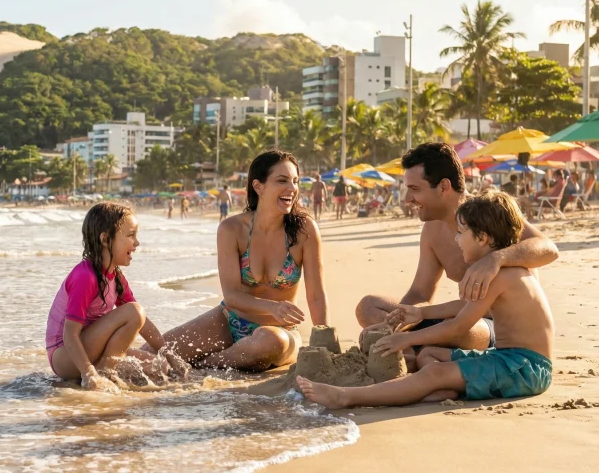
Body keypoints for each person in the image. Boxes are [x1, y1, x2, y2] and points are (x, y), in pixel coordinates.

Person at [299, 190, 554, 407]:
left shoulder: (499, 275)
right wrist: (421, 313)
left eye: (461, 233)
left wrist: (406, 338)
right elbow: (466, 305)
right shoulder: (502, 273)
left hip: (524, 369)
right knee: (428, 354)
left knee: (433, 371)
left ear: (483, 238)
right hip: (514, 361)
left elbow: (458, 325)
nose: (456, 239)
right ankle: (448, 388)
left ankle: (346, 396)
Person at [355, 142, 558, 367]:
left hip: (493, 327)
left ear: (443, 187)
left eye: (414, 189)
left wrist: (496, 259)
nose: (407, 200)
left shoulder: (488, 213)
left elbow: (549, 248)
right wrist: (393, 322)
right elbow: (420, 292)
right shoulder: (432, 230)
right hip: (458, 314)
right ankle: (412, 353)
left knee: (460, 330)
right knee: (369, 307)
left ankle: (414, 354)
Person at [154, 151, 329, 371]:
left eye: (295, 181)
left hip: (280, 332)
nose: (292, 188)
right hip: (230, 320)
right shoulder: (231, 229)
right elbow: (232, 295)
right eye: (282, 181)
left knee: (271, 342)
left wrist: (326, 342)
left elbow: (316, 295)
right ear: (259, 186)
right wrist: (271, 306)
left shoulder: (304, 231)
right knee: (155, 353)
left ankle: (201, 365)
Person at [45, 202, 189, 392]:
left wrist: (170, 355)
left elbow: (143, 323)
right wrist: (88, 373)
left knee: (159, 368)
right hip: (65, 356)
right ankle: (103, 373)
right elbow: (70, 334)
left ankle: (104, 370)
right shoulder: (85, 277)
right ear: (105, 239)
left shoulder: (116, 276)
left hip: (91, 349)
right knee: (134, 311)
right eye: (130, 235)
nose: (136, 243)